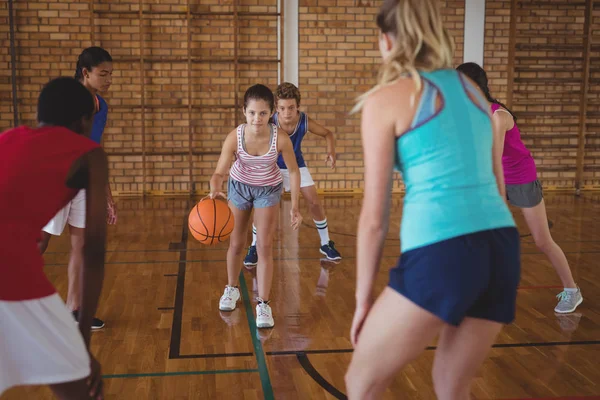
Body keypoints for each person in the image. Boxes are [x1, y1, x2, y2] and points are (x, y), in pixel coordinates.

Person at [344, 0, 521, 398]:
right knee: (450, 387)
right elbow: (496, 183)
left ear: (386, 40)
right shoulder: (473, 91)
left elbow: (375, 217)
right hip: (502, 248)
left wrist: (362, 301)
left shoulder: (386, 99)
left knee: (361, 382)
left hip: (445, 251)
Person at [0, 77, 108, 399]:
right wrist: (83, 343)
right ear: (82, 121)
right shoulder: (90, 154)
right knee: (82, 388)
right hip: (11, 273)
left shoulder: (8, 138)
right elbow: (93, 251)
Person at [456, 62, 583, 314]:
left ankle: (572, 290)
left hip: (520, 178)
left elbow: (495, 159)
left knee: (542, 241)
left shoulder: (498, 116)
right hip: (497, 177)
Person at [209, 84, 302, 328]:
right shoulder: (235, 137)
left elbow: (293, 171)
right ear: (244, 112)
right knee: (237, 242)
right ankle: (232, 289)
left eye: (262, 113)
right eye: (252, 113)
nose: (257, 118)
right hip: (239, 187)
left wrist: (295, 205)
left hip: (268, 189)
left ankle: (264, 303)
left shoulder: (280, 138)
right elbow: (219, 172)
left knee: (264, 245)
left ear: (271, 113)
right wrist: (215, 185)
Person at [38, 46, 116, 330]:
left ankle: (74, 309)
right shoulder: (63, 99)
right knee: (39, 241)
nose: (109, 80)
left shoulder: (102, 107)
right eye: (103, 74)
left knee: (81, 246)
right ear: (86, 73)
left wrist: (106, 194)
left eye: (111, 74)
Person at [243, 82, 341, 266]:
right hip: (272, 167)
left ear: (298, 107)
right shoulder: (269, 121)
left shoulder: (304, 121)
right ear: (275, 108)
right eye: (282, 108)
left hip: (296, 165)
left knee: (314, 201)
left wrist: (331, 151)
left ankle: (326, 243)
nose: (287, 112)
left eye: (291, 108)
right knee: (262, 207)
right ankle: (255, 245)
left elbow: (328, 134)